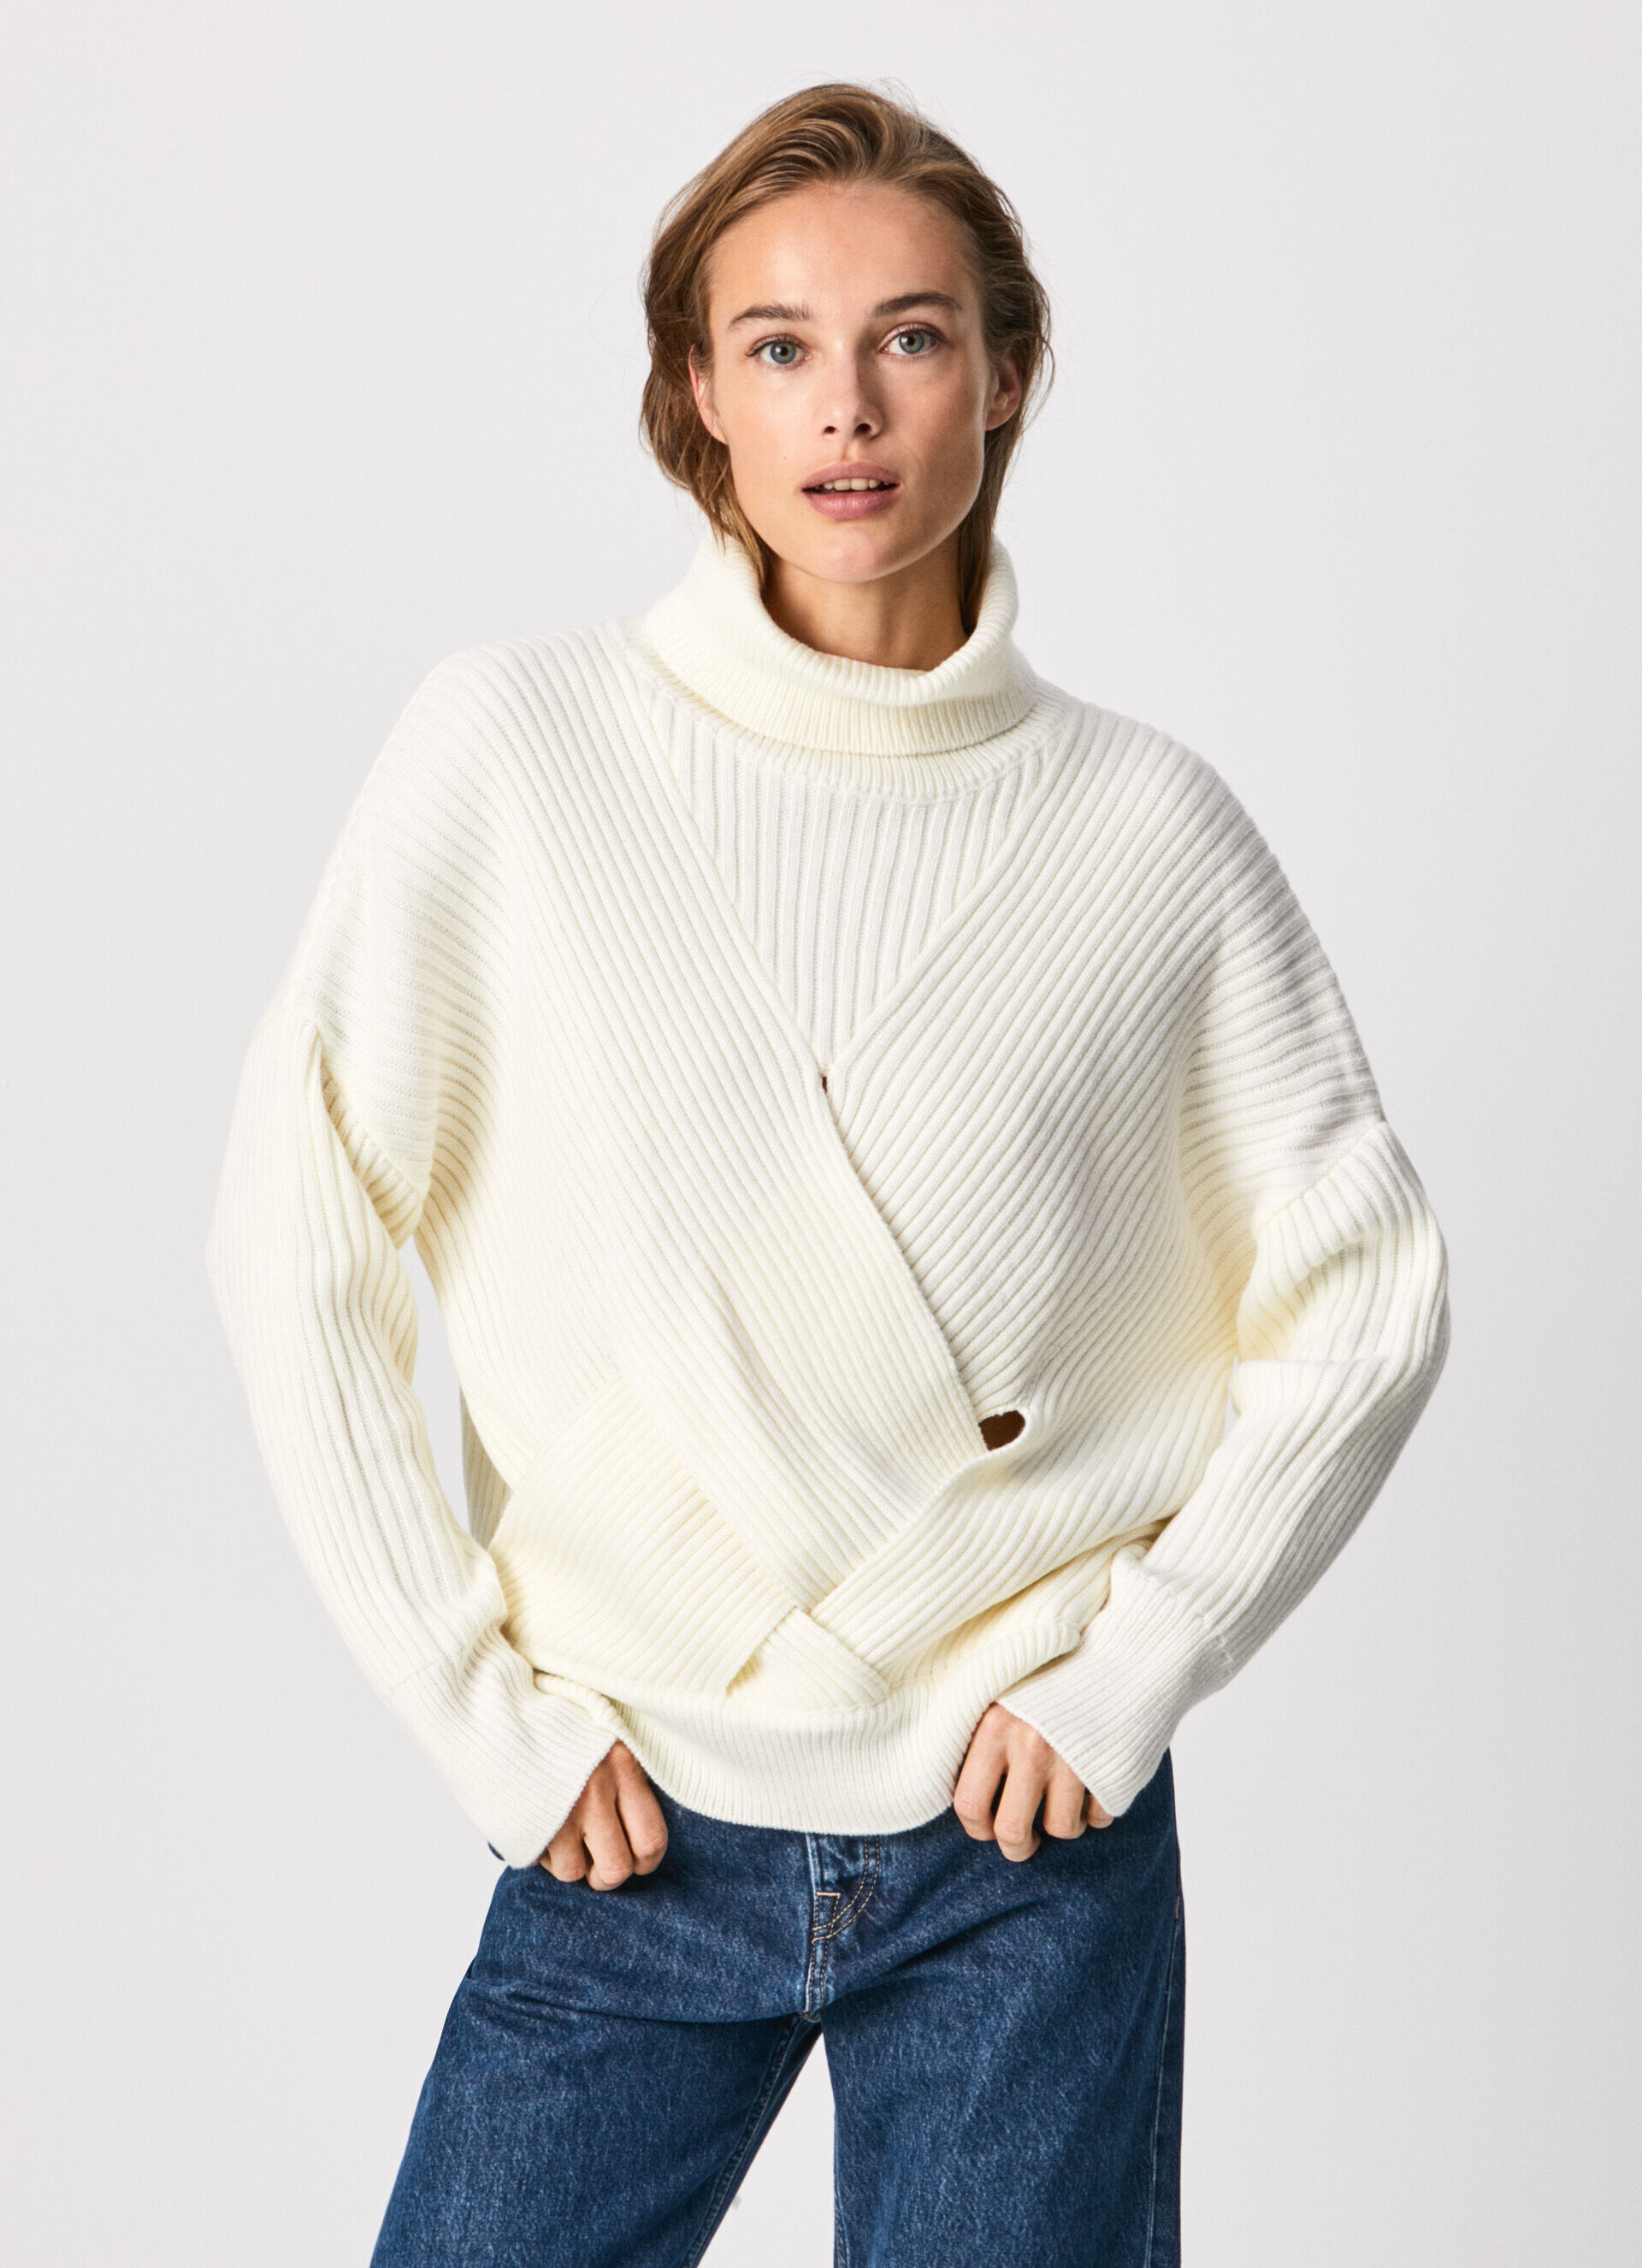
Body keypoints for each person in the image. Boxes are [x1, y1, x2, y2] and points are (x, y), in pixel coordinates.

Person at [206, 80, 1451, 2268]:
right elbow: (294, 1228)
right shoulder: (515, 755)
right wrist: (478, 1713)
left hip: (1020, 1850)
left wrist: (1140, 1667)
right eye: (777, 344)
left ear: (1009, 371)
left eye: (912, 337)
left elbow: (1368, 1287)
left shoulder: (1148, 837)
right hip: (626, 1820)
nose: (846, 408)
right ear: (699, 390)